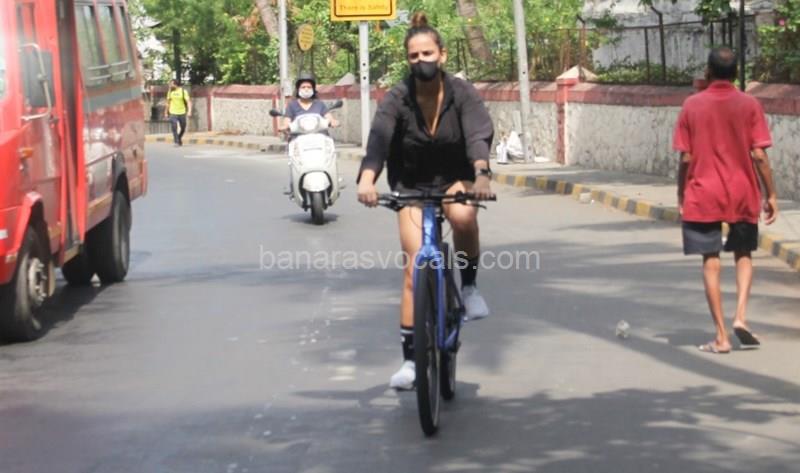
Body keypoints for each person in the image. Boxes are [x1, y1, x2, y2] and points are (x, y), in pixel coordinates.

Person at [356, 12, 495, 389]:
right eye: (414, 56)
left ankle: (469, 287)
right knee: (414, 266)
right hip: (411, 183)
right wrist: (367, 179)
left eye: (428, 53)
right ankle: (411, 363)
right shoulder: (397, 97)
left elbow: (477, 136)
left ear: (442, 55)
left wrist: (482, 174)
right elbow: (379, 141)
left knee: (463, 217)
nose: (422, 61)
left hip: (455, 176)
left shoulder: (462, 93)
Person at [673, 46, 778, 354]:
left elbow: (685, 158)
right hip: (742, 191)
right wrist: (770, 193)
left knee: (711, 260)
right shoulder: (749, 104)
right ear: (735, 73)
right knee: (744, 254)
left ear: (708, 71)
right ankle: (741, 316)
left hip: (703, 193)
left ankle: (721, 337)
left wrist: (681, 192)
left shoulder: (692, 105)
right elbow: (759, 154)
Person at [164, 79, 191, 146]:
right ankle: (176, 141)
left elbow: (188, 102)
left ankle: (179, 137)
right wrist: (166, 112)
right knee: (174, 126)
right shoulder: (170, 92)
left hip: (182, 112)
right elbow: (167, 103)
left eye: (171, 84)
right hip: (173, 112)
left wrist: (189, 111)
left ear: (175, 84)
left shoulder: (183, 91)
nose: (170, 85)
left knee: (183, 128)